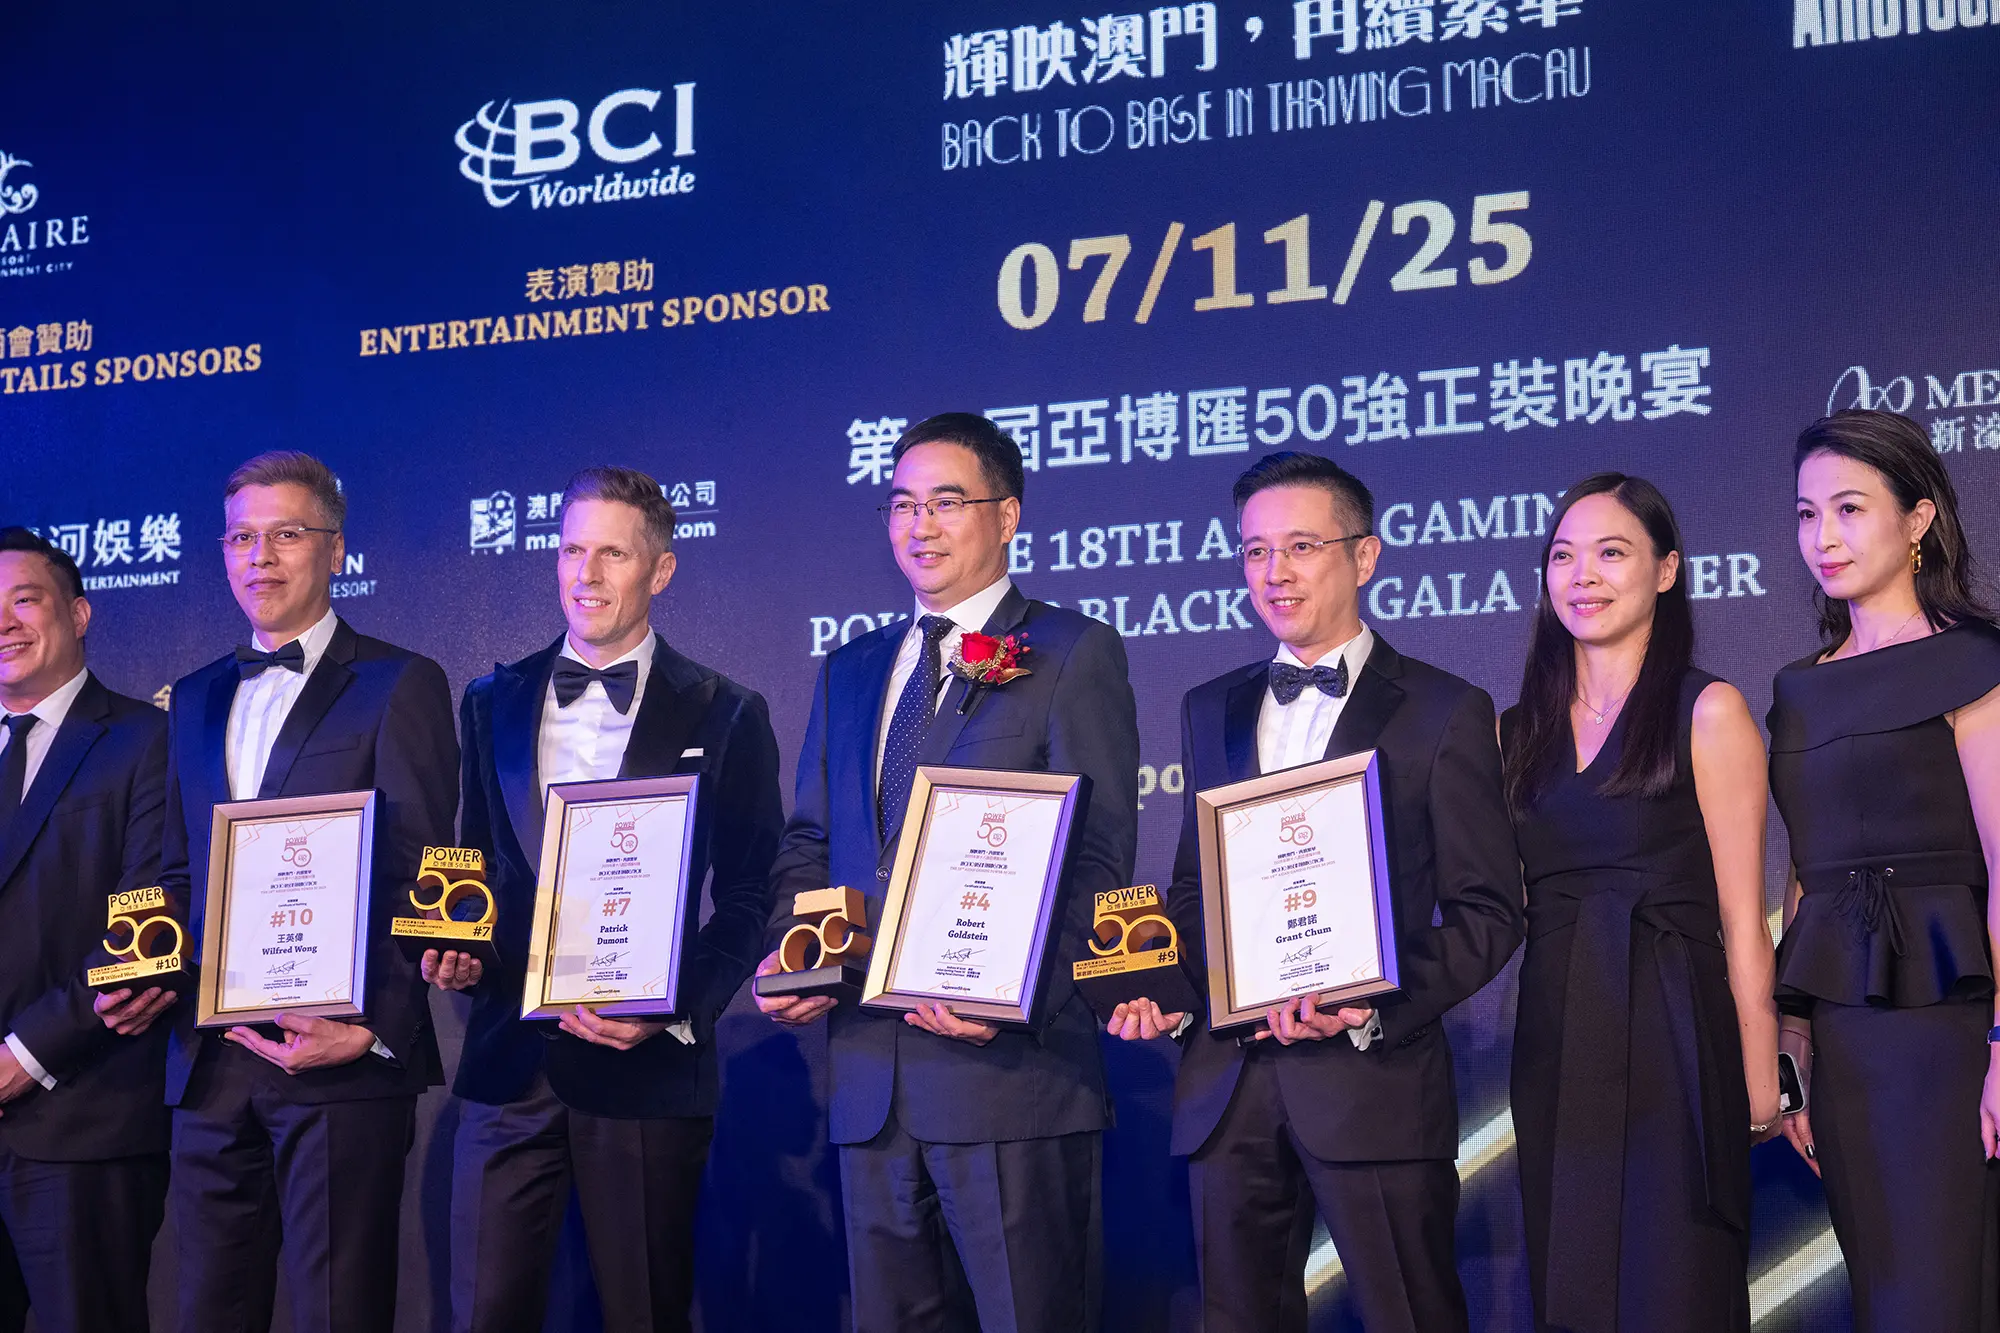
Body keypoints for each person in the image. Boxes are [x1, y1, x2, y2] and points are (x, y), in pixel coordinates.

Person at [1111, 451, 1522, 1333]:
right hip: (1230, 1089)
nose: (1275, 572)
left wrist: (1369, 1000)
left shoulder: (1443, 708)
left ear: (1364, 556)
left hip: (1373, 1081)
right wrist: (1176, 992)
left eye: (1301, 546)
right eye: (1255, 551)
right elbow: (1194, 888)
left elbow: (1489, 911)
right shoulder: (1208, 707)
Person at [753, 412, 1139, 1333]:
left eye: (946, 502)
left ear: (1006, 516)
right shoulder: (851, 669)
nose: (919, 525)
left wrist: (1013, 996)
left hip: (1008, 1075)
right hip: (870, 1083)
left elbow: (1097, 859)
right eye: (902, 504)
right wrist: (796, 952)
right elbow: (812, 841)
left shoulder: (1071, 651)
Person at [425, 466, 783, 1333]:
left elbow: (749, 892)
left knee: (645, 1314)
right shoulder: (490, 701)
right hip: (508, 1064)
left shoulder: (728, 711)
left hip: (645, 1068)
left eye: (612, 554)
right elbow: (477, 868)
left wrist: (675, 1006)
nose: (585, 574)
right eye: (571, 550)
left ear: (661, 569)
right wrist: (458, 948)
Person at [155, 451, 458, 1333]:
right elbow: (175, 870)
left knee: (338, 1313)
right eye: (241, 538)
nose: (261, 556)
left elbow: (422, 869)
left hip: (340, 1058)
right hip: (211, 1064)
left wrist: (372, 1027)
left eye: (286, 534)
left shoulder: (400, 682)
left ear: (335, 549)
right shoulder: (193, 698)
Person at [1499, 475, 1778, 1333]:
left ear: (1666, 570)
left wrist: (1760, 1074)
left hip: (1674, 1028)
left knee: (1675, 1280)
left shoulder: (1710, 710)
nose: (1582, 575)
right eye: (1562, 556)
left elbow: (1743, 914)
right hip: (1556, 1028)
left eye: (1611, 552)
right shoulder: (1515, 731)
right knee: (1572, 1275)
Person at [1771, 409, 2000, 1332]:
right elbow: (1806, 872)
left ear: (1918, 519)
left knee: (1941, 1292)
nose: (1823, 536)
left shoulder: (1974, 663)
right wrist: (1793, 1039)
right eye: (1806, 513)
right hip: (1843, 1034)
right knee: (1881, 1288)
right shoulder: (1798, 687)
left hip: (1950, 1024)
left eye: (1849, 508)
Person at [0, 528, 169, 1333]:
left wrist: (20, 1056)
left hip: (82, 1115)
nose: (4, 622)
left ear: (78, 613)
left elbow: (146, 925)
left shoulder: (145, 739)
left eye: (24, 599)